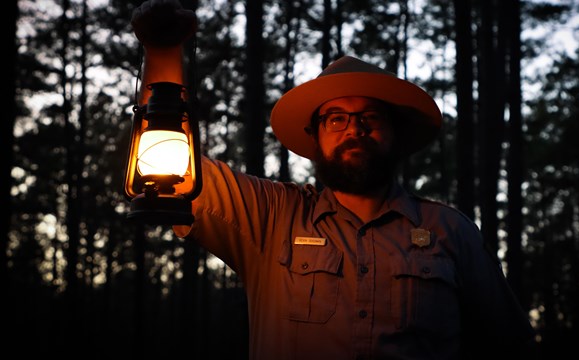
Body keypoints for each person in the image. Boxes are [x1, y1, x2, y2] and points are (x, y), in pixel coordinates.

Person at [131, 1, 535, 359]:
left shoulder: (450, 232)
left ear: (394, 134)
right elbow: (174, 169)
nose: (354, 130)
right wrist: (164, 52)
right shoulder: (271, 216)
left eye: (370, 118)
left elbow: (509, 344)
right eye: (336, 118)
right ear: (315, 135)